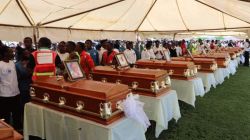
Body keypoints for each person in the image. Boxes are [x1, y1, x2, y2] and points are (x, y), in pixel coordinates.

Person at [0, 46, 22, 130]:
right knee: (5, 115)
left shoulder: (12, 62)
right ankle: (6, 130)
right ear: (4, 53)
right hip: (4, 95)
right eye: (10, 52)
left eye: (12, 52)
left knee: (17, 113)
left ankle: (18, 129)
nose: (12, 53)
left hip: (16, 93)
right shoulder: (0, 64)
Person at [15, 49, 33, 126]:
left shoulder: (32, 63)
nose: (27, 54)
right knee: (23, 105)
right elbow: (18, 77)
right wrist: (28, 71)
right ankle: (24, 123)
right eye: (25, 53)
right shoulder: (17, 65)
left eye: (29, 53)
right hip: (22, 87)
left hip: (31, 87)